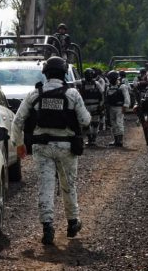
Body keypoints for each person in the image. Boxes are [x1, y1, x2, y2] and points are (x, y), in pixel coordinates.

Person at [13, 56, 91, 245]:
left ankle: (47, 227)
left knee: (45, 187)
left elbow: (17, 121)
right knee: (68, 185)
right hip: (66, 147)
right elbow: (86, 121)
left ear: (46, 73)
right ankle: (73, 223)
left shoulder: (35, 94)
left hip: (42, 148)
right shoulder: (72, 94)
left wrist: (19, 144)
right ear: (64, 73)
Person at [105, 70, 130, 147]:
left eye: (110, 78)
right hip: (112, 107)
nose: (109, 80)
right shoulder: (109, 87)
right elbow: (107, 98)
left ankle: (120, 141)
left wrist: (125, 106)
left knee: (119, 123)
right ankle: (116, 140)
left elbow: (127, 97)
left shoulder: (122, 86)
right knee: (113, 124)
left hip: (119, 108)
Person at [80, 68, 105, 146]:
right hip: (86, 106)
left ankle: (93, 138)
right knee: (87, 123)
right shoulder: (82, 83)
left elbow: (102, 94)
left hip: (94, 106)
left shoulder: (96, 83)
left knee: (94, 123)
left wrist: (101, 105)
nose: (89, 77)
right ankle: (90, 138)